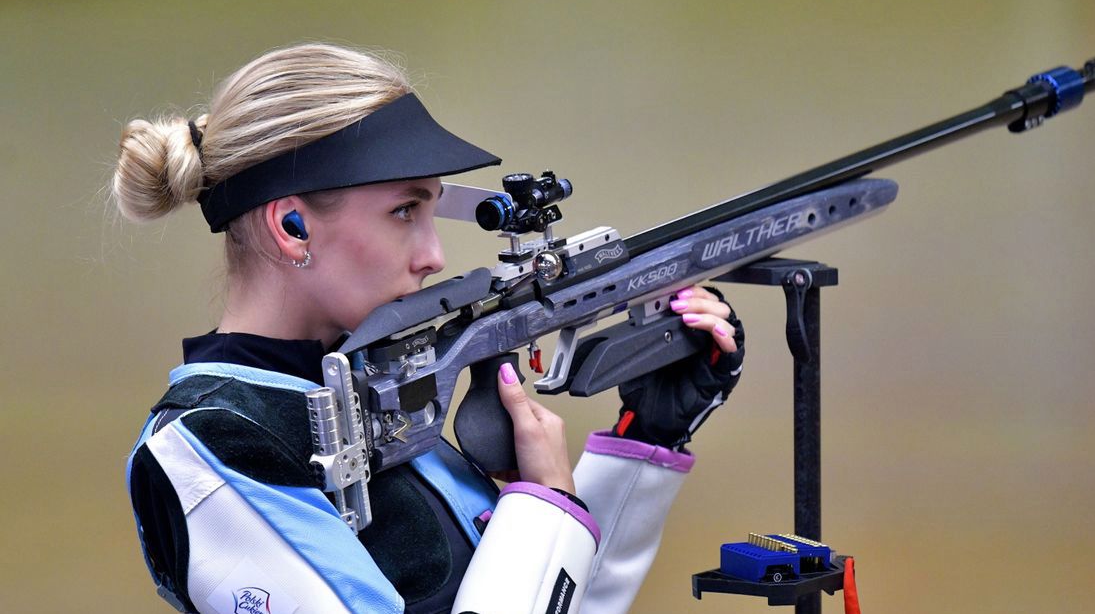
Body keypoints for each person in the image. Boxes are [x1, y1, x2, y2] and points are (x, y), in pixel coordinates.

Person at [116, 43, 745, 614]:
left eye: (433, 210)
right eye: (404, 211)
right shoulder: (211, 446)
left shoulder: (366, 393)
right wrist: (548, 501)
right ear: (292, 227)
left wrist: (645, 435)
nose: (435, 256)